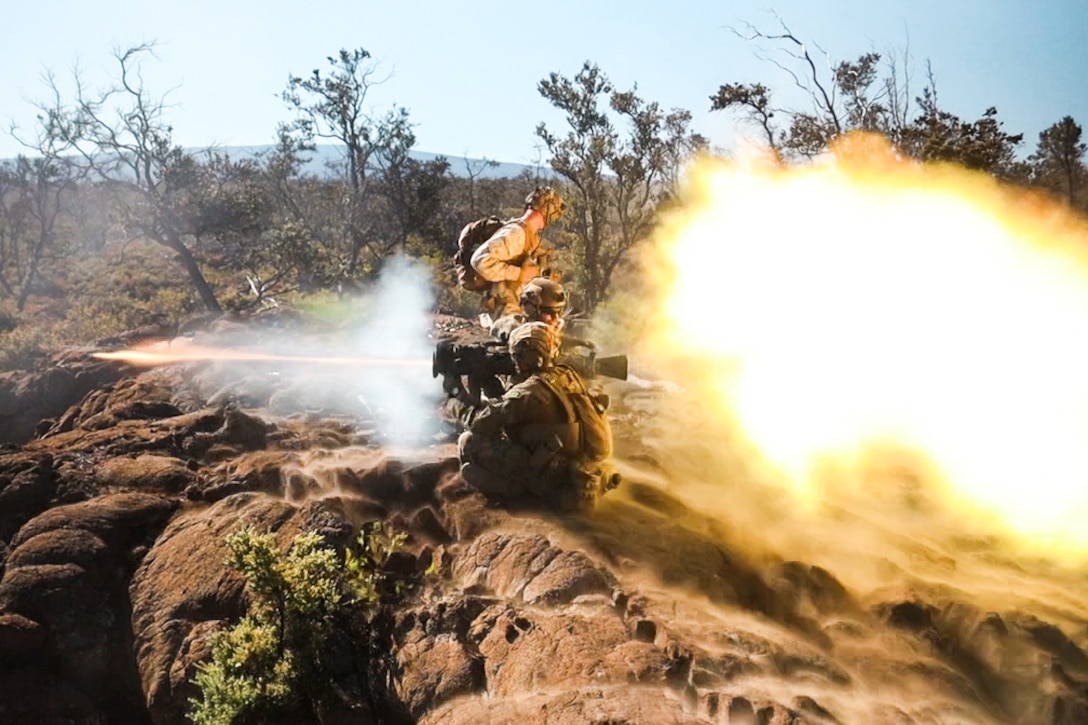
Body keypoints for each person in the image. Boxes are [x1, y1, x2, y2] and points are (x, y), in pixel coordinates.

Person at [446, 321, 617, 511]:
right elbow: (521, 408)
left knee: (469, 441)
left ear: (524, 357)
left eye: (516, 356)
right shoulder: (568, 374)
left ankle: (518, 488)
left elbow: (479, 423)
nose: (514, 361)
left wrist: (454, 398)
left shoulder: (530, 392)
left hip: (549, 474)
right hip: (573, 464)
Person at [470, 187, 565, 318]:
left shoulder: (530, 235)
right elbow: (480, 260)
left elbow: (526, 268)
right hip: (507, 313)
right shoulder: (516, 233)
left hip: (519, 309)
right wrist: (519, 274)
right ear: (548, 210)